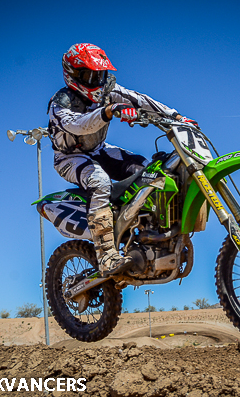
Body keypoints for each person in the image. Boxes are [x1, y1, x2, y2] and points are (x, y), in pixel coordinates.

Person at [47, 43, 196, 276]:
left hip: (99, 149)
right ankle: (106, 255)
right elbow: (79, 126)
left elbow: (139, 100)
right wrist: (108, 111)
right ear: (73, 74)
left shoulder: (108, 90)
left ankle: (150, 234)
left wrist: (176, 117)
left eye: (100, 74)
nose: (97, 80)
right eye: (89, 75)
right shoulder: (60, 103)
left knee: (151, 171)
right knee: (99, 182)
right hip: (69, 157)